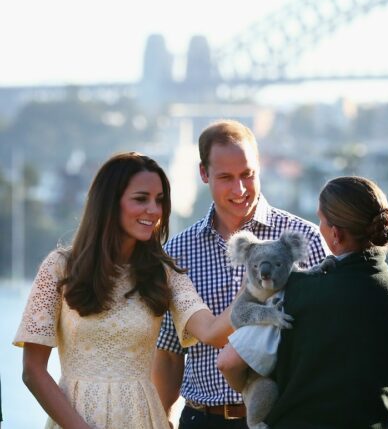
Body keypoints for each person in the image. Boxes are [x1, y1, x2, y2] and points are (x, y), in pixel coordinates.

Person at [13, 152, 254, 429]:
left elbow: (212, 332)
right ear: (110, 202)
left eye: (159, 200)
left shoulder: (164, 273)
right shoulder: (59, 268)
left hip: (144, 420)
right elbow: (33, 371)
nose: (153, 210)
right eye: (141, 198)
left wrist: (253, 287)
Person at [153, 120, 326, 429]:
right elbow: (169, 352)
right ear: (204, 174)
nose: (240, 189)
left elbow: (327, 337)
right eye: (226, 177)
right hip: (203, 419)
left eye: (248, 174)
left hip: (282, 417)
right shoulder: (177, 252)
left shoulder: (304, 239)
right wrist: (159, 419)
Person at [218, 176, 388, 428]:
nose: (319, 227)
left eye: (321, 221)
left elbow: (228, 362)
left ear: (336, 234)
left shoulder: (293, 294)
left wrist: (256, 394)